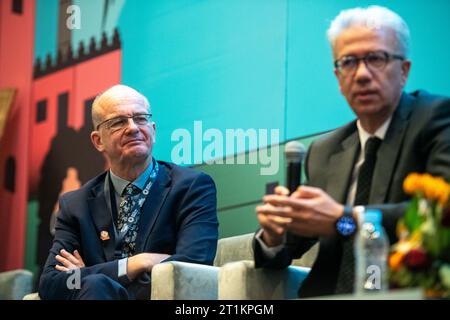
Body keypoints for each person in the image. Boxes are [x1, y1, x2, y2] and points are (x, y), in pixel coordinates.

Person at [254, 5, 450, 298]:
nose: (361, 74)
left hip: (406, 290)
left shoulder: (434, 118)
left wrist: (345, 220)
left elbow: (440, 215)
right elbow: (286, 248)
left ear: (404, 71)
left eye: (376, 58)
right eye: (348, 62)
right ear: (337, 77)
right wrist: (273, 234)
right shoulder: (325, 150)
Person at [39, 84, 219, 300]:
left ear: (152, 129)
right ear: (98, 141)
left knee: (95, 284)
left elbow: (192, 267)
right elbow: (52, 283)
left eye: (140, 118)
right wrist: (136, 263)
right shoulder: (75, 205)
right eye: (118, 122)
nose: (133, 128)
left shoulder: (191, 187)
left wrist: (89, 274)